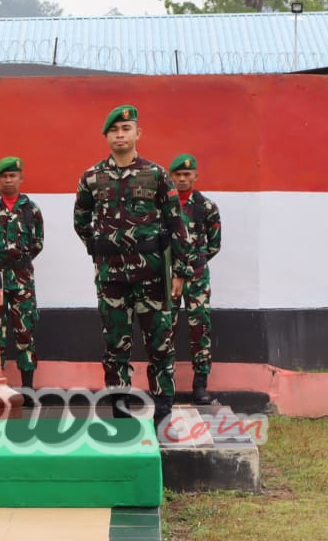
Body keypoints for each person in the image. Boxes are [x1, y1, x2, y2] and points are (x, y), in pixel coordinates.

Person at [73, 105, 193, 428]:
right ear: (107, 137)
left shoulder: (156, 175)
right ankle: (120, 410)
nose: (120, 135)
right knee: (115, 344)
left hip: (152, 275)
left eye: (126, 129)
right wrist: (100, 251)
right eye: (114, 130)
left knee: (160, 344)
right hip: (111, 277)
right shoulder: (91, 178)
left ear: (138, 134)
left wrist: (180, 271)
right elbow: (80, 221)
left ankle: (164, 410)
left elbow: (176, 224)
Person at [0, 156, 44, 398]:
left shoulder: (31, 209)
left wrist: (18, 259)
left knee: (24, 331)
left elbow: (38, 243)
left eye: (13, 175)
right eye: (4, 176)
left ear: (20, 178)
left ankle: (27, 388)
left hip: (22, 278)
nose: (9, 180)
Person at [169, 153, 222, 405]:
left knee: (200, 329)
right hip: (167, 279)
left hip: (198, 278)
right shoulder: (164, 207)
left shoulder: (206, 207)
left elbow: (214, 245)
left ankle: (200, 386)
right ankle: (164, 385)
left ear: (195, 176)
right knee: (164, 329)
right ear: (171, 177)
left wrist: (192, 267)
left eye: (186, 175)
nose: (182, 179)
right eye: (177, 175)